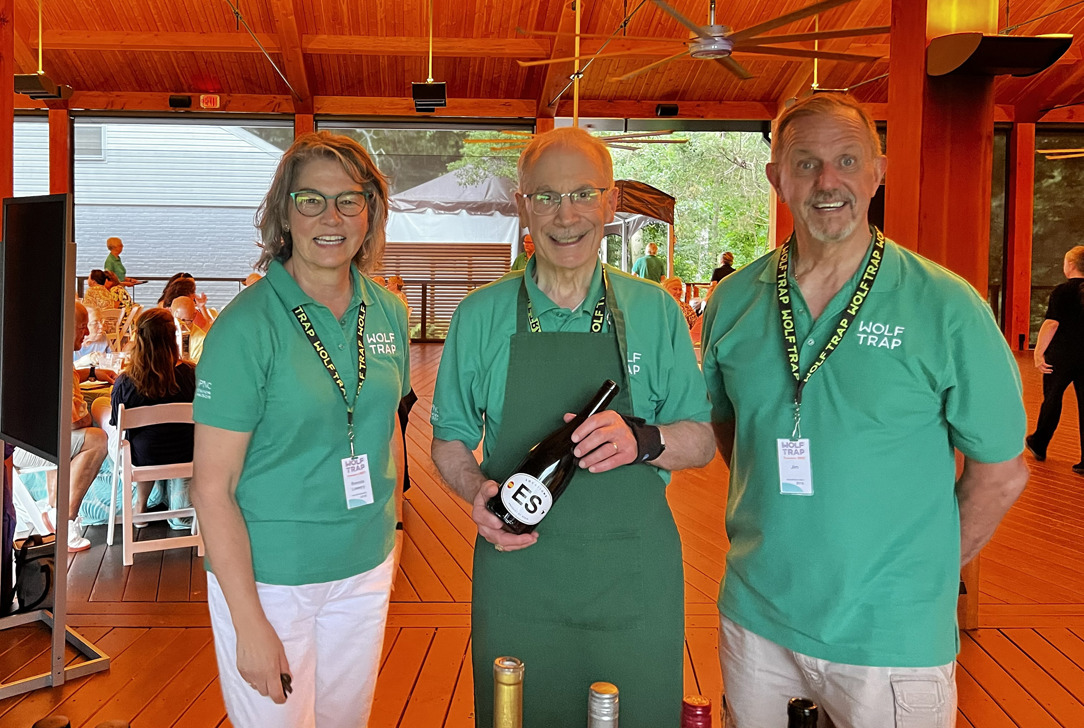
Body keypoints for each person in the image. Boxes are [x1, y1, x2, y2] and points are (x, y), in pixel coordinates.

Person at [700, 93, 1029, 727]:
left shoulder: (945, 305)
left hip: (892, 635)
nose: (828, 182)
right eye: (806, 163)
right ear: (777, 177)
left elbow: (1001, 472)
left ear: (877, 173)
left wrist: (921, 574)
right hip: (757, 615)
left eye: (847, 161)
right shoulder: (735, 300)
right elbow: (732, 427)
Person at [430, 127, 714, 727]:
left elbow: (702, 439)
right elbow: (450, 437)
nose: (566, 216)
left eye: (584, 194)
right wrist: (473, 491)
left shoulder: (653, 310)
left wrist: (646, 440)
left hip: (634, 574)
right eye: (547, 196)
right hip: (519, 571)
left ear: (611, 203)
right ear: (522, 202)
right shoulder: (481, 314)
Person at [191, 131, 410, 727]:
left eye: (349, 199)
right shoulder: (245, 327)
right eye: (310, 199)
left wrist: (388, 527)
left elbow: (382, 424)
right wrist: (248, 620)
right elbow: (211, 486)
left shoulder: (388, 308)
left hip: (365, 566)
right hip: (271, 578)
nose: (331, 216)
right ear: (284, 213)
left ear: (371, 211)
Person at [13, 302, 116, 552]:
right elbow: (69, 422)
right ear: (68, 326)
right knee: (96, 439)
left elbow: (69, 379)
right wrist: (90, 416)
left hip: (21, 438)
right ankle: (65, 520)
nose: (87, 335)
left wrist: (92, 372)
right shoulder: (56, 361)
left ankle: (51, 509)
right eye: (82, 328)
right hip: (23, 446)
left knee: (73, 438)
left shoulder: (48, 350)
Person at [108, 308, 196, 523]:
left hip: (144, 457)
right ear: (173, 337)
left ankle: (140, 504)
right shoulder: (192, 374)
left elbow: (117, 423)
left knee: (125, 436)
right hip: (187, 452)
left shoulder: (127, 382)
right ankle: (179, 504)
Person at [1027, 245, 1084, 474]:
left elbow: (1052, 323)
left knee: (1052, 398)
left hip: (1061, 355)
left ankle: (1039, 443)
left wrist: (1039, 351)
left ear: (1070, 265)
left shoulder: (1062, 291)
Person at [170, 295, 208, 362]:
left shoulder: (201, 340)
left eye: (185, 320)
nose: (180, 326)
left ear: (194, 316)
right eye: (177, 320)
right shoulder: (164, 332)